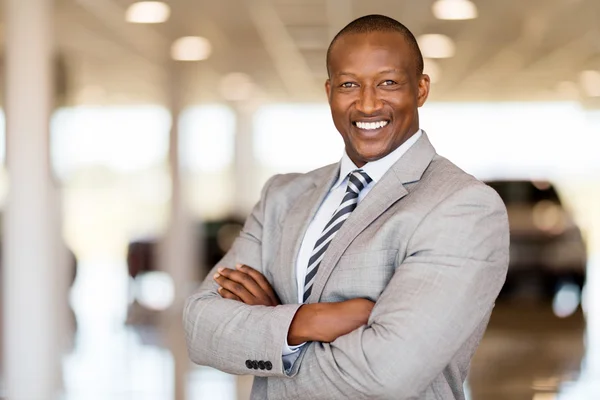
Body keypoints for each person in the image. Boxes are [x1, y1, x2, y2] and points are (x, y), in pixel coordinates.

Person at [184, 14, 509, 400]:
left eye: (388, 82)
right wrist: (307, 320)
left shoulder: (463, 206)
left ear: (421, 89)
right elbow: (199, 326)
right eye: (349, 84)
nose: (368, 103)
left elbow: (386, 374)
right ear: (329, 91)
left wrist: (270, 331)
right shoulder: (283, 197)